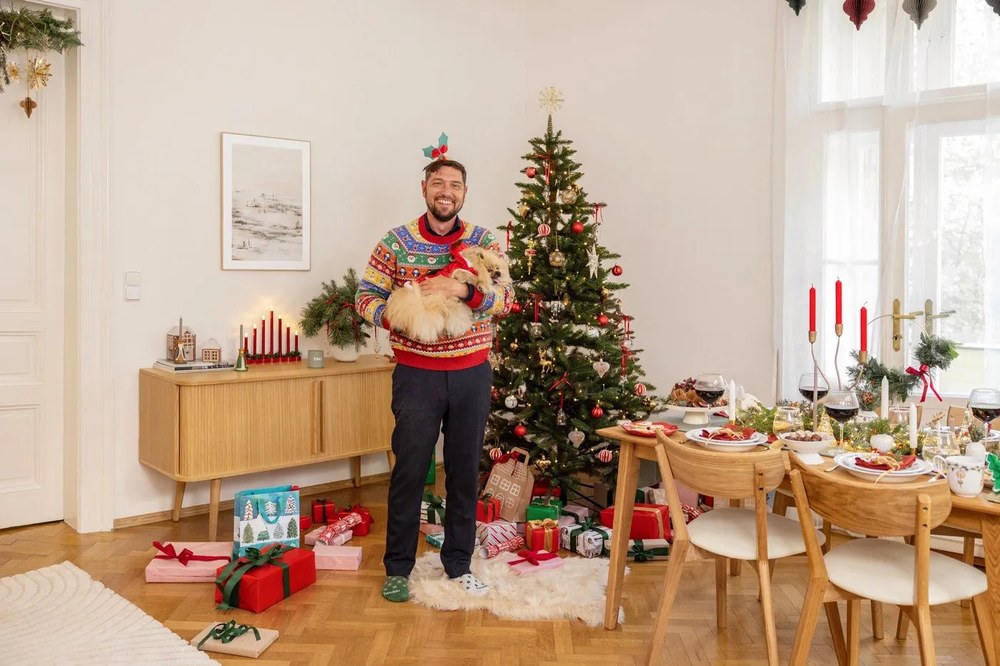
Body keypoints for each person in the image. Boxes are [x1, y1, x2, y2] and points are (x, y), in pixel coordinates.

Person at [356, 157, 513, 602]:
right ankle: (398, 568)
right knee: (409, 472)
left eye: (455, 185)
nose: (446, 192)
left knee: (463, 473)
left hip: (471, 375)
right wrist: (401, 317)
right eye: (438, 183)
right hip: (416, 376)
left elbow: (505, 300)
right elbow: (365, 296)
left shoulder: (484, 240)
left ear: (465, 193)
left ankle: (459, 565)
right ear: (424, 188)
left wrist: (460, 290)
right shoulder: (396, 242)